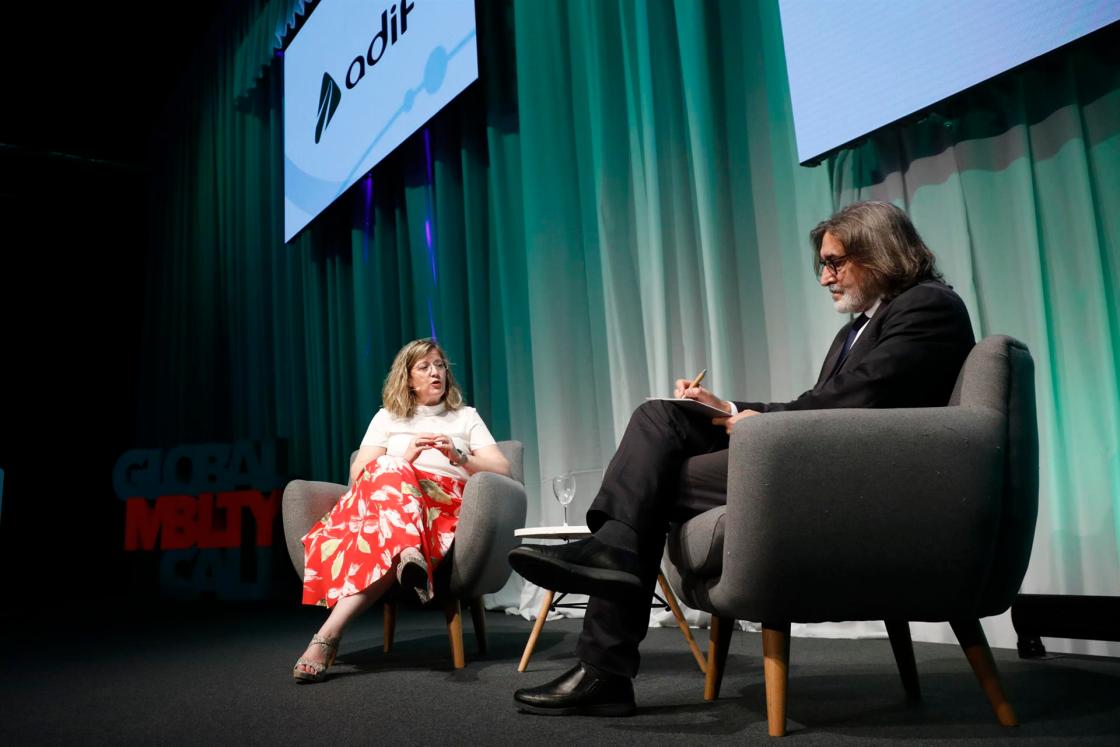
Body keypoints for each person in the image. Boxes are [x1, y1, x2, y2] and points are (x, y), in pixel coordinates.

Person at [508, 201, 976, 715]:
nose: (824, 278)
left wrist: (766, 425)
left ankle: (605, 657)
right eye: (823, 264)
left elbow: (861, 401)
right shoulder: (856, 329)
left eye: (834, 262)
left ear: (880, 252)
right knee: (661, 417)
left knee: (653, 483)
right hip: (820, 456)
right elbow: (823, 404)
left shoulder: (929, 306)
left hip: (860, 481)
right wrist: (728, 409)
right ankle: (613, 562)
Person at [293, 338, 511, 683]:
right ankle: (409, 551)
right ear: (408, 378)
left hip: (440, 508)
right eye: (424, 367)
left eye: (439, 365)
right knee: (389, 468)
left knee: (386, 524)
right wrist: (404, 458)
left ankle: (327, 637)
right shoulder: (387, 418)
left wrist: (460, 456)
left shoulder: (465, 417)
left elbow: (503, 470)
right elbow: (359, 473)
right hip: (386, 503)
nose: (435, 372)